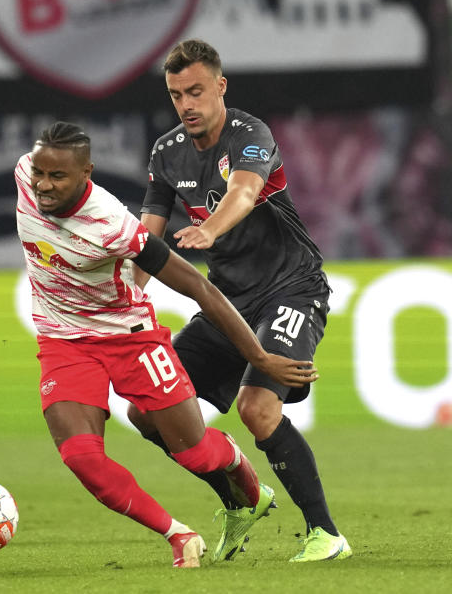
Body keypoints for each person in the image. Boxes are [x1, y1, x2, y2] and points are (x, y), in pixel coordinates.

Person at [16, 121, 317, 568]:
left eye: (57, 176)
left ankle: (239, 471)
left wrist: (257, 355)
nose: (42, 185)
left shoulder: (113, 225)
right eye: (39, 173)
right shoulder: (24, 174)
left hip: (129, 338)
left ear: (87, 174)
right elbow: (34, 177)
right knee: (81, 456)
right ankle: (179, 535)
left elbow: (197, 285)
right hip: (64, 341)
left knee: (194, 451)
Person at [129, 38, 352, 563]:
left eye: (196, 91)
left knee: (257, 407)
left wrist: (210, 231)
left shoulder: (251, 135)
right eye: (176, 94)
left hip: (290, 288)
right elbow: (147, 236)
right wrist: (122, 292)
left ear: (220, 87)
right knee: (146, 410)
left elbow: (244, 193)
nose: (186, 104)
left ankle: (326, 535)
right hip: (228, 304)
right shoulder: (166, 153)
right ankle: (239, 496)